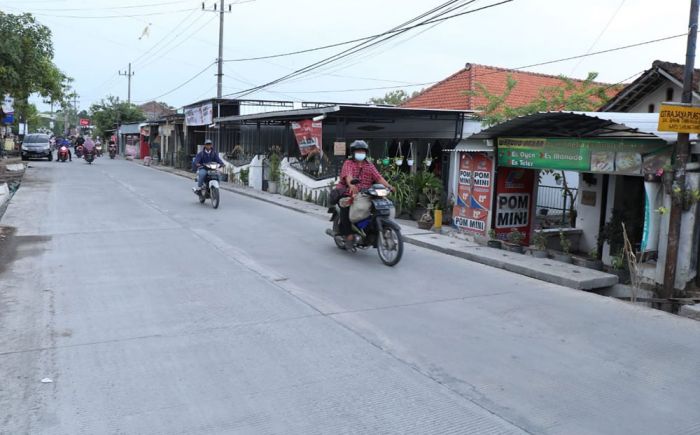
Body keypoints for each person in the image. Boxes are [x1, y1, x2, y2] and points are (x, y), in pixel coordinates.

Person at [336, 140, 393, 250]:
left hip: (367, 192)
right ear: (353, 153)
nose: (360, 153)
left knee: (385, 205)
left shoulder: (369, 165)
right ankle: (349, 235)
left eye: (362, 151)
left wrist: (389, 186)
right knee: (346, 205)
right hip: (348, 191)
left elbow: (378, 178)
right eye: (358, 151)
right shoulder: (348, 163)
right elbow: (348, 175)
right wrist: (351, 185)